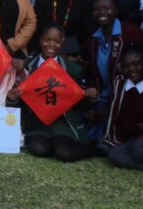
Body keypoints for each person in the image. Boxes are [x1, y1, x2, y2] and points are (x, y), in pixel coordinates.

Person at [12, 24, 98, 162]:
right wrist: (13, 97)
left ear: (62, 42)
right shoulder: (26, 65)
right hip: (36, 123)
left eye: (56, 41)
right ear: (40, 40)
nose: (51, 44)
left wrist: (90, 98)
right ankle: (51, 145)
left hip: (62, 124)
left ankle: (94, 149)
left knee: (63, 153)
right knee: (39, 149)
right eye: (47, 40)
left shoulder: (72, 69)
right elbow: (16, 98)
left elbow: (79, 104)